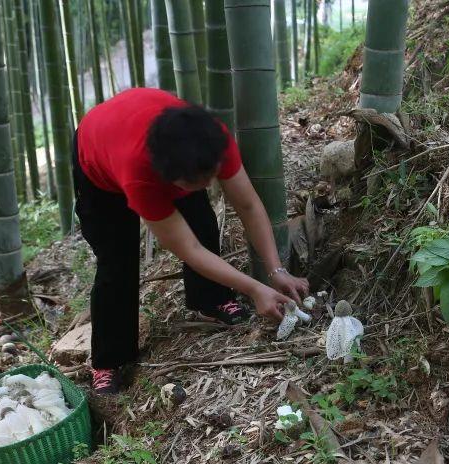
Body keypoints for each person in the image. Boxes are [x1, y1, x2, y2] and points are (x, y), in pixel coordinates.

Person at [73, 87, 309, 394]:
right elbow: (189, 249)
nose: (209, 185)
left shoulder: (212, 140)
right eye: (194, 183)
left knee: (202, 223)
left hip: (151, 134)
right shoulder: (139, 174)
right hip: (97, 158)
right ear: (165, 177)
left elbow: (248, 205)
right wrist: (254, 289)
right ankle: (109, 360)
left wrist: (276, 270)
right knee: (116, 261)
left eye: (210, 176)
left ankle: (209, 300)